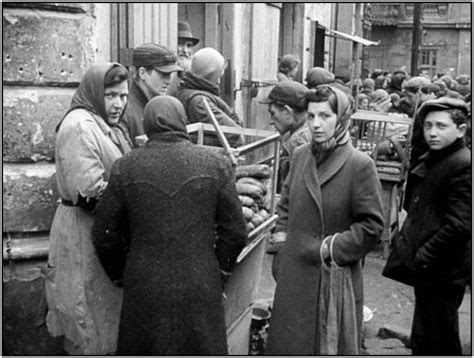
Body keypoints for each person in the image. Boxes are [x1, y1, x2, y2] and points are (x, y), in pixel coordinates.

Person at [92, 95, 247, 355]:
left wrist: (121, 273)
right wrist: (219, 270)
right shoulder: (215, 164)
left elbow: (103, 234)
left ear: (147, 125)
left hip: (144, 283)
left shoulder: (125, 167)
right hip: (200, 280)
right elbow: (236, 232)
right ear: (183, 122)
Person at [265, 85, 384, 355]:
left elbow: (371, 227)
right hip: (295, 275)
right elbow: (285, 206)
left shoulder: (359, 165)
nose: (316, 124)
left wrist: (329, 249)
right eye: (311, 116)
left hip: (334, 276)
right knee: (290, 344)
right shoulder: (299, 155)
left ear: (342, 119)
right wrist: (282, 249)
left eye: (326, 116)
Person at [44, 63, 132, 355]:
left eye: (123, 95)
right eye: (110, 95)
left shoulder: (103, 124)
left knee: (102, 315)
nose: (118, 103)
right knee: (87, 313)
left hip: (101, 231)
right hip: (84, 232)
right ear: (95, 92)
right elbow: (90, 194)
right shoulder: (79, 127)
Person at [400, 97, 471, 355]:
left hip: (444, 268)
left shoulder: (463, 164)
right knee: (426, 332)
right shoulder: (440, 157)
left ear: (460, 130)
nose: (432, 132)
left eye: (441, 126)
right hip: (433, 268)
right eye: (428, 125)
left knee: (440, 336)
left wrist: (424, 254)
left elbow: (461, 225)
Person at [259, 81, 312, 253]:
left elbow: (293, 194)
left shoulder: (297, 143)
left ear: (287, 112)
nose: (270, 121)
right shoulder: (306, 132)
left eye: (273, 114)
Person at [176, 47, 244, 146]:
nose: (219, 80)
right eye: (219, 74)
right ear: (212, 74)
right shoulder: (200, 102)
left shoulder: (187, 91)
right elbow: (236, 137)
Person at [122, 43, 182, 147]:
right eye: (163, 74)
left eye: (170, 74)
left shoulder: (163, 104)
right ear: (142, 73)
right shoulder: (126, 111)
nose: (168, 81)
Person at [168, 21, 200, 96]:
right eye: (180, 44)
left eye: (189, 46)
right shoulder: (166, 74)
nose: (185, 51)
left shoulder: (195, 76)